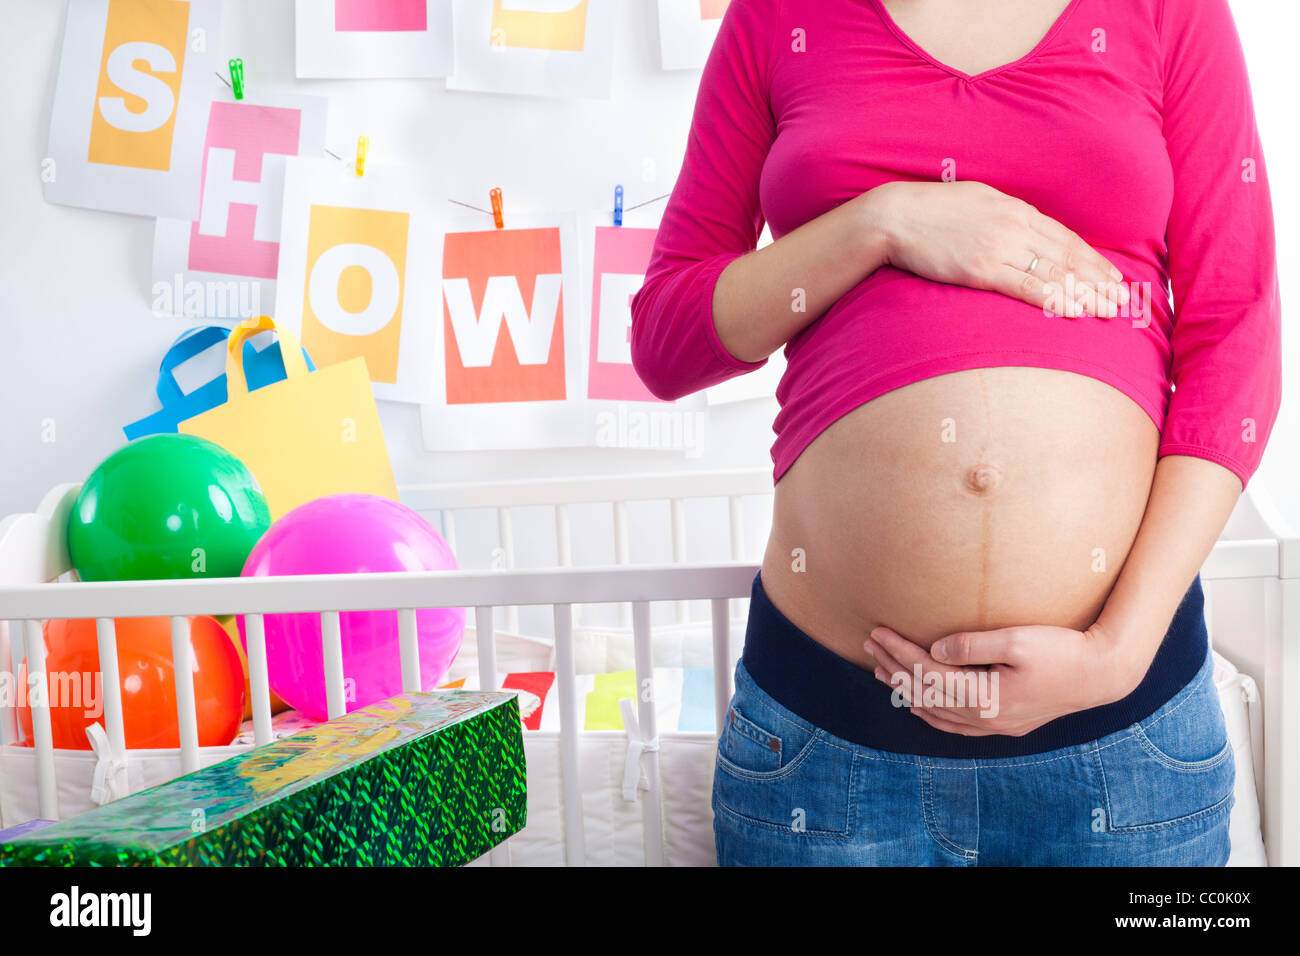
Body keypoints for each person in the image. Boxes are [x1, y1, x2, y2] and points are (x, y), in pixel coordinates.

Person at [630, 0, 1282, 865]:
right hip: (828, 751)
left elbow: (1235, 331)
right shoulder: (775, 17)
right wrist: (881, 224)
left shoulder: (1169, 11)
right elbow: (667, 341)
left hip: (1124, 743)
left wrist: (1116, 656)